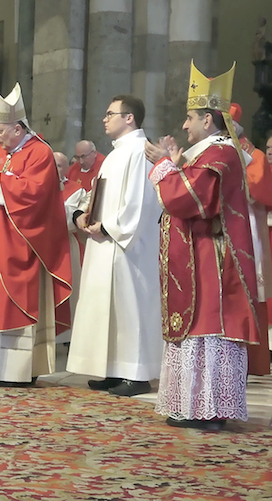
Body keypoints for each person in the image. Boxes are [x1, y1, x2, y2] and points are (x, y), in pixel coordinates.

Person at [144, 61, 259, 430]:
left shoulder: (221, 154)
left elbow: (194, 200)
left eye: (190, 117)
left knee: (208, 328)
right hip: (200, 252)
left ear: (208, 120)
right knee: (196, 329)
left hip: (212, 258)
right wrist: (175, 165)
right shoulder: (208, 153)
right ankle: (193, 406)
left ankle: (209, 410)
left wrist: (165, 167)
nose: (184, 125)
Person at [0, 83, 72, 384]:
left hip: (19, 245)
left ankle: (15, 372)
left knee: (12, 304)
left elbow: (37, 195)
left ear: (18, 129)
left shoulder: (40, 153)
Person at [66, 95, 162, 396]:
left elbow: (141, 202)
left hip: (128, 246)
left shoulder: (140, 151)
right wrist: (85, 216)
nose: (105, 119)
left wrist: (109, 227)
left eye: (111, 114)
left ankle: (137, 373)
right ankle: (111, 368)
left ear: (129, 118)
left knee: (130, 307)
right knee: (107, 308)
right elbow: (102, 196)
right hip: (105, 240)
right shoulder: (117, 153)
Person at [230, 103, 272, 374]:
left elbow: (261, 191)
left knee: (248, 291)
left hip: (249, 231)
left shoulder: (253, 155)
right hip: (223, 231)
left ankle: (250, 361)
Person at [54, 150, 86, 343]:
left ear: (67, 168)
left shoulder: (76, 189)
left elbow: (69, 218)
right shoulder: (38, 185)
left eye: (58, 165)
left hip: (65, 245)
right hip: (42, 247)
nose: (54, 168)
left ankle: (67, 337)